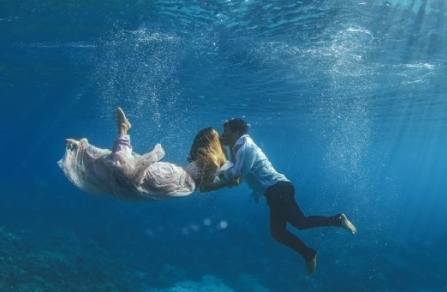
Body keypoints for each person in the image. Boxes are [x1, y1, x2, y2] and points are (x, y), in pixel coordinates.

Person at [219, 118, 357, 275]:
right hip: (274, 191)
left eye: (226, 131)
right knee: (277, 232)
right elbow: (237, 167)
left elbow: (237, 173)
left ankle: (338, 220)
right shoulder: (239, 146)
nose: (223, 134)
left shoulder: (246, 147)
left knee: (300, 222)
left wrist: (215, 172)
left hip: (279, 189)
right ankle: (308, 253)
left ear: (236, 132)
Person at [58, 108, 235, 201]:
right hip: (174, 176)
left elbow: (204, 187)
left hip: (177, 179)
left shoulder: (211, 160)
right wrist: (228, 181)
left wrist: (228, 182)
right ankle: (114, 135)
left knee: (121, 175)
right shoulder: (211, 159)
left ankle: (98, 144)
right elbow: (209, 183)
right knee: (122, 171)